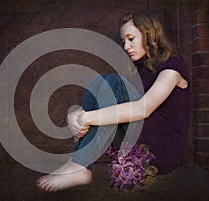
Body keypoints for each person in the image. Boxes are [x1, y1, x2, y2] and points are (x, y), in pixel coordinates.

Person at [37, 11, 191, 192]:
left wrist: (86, 117)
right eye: (123, 41)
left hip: (164, 149)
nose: (126, 46)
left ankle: (80, 164)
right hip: (138, 141)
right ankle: (78, 162)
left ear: (149, 34)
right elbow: (111, 106)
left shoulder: (172, 65)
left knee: (112, 83)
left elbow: (144, 109)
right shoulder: (139, 69)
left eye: (131, 38)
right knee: (100, 81)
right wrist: (79, 118)